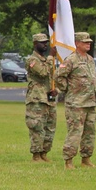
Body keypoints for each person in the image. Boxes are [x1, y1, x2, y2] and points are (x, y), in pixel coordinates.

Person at [56, 31, 96, 169]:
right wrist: (67, 89)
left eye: (89, 42)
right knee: (75, 132)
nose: (88, 44)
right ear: (77, 43)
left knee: (89, 132)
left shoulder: (90, 59)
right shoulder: (71, 60)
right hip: (76, 103)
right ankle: (68, 160)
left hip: (90, 102)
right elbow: (59, 76)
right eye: (85, 42)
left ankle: (86, 159)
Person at [25, 33, 58, 163]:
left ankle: (44, 152)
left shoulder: (46, 61)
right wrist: (51, 56)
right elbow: (44, 73)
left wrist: (55, 89)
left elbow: (51, 77)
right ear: (35, 44)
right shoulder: (32, 60)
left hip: (48, 98)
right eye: (42, 42)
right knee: (37, 126)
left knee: (50, 127)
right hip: (36, 99)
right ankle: (36, 155)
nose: (45, 45)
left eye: (46, 42)